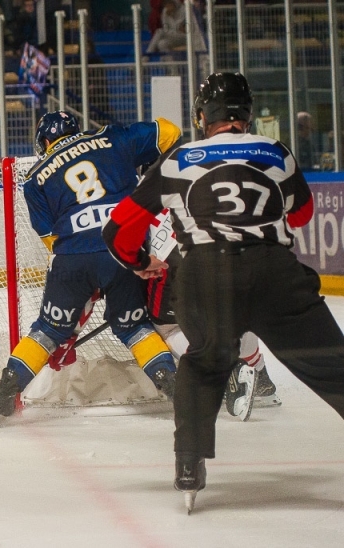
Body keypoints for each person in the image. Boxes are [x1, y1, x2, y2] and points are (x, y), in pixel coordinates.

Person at [101, 72, 344, 511]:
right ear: (247, 114)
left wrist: (141, 263)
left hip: (206, 274)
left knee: (204, 364)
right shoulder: (275, 151)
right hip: (275, 272)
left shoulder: (178, 159)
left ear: (202, 117)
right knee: (333, 364)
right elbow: (304, 214)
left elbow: (118, 229)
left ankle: (189, 464)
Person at [0, 110, 183, 428]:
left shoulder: (35, 178)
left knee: (48, 330)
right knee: (134, 329)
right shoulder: (112, 137)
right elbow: (170, 131)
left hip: (72, 260)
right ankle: (175, 388)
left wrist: (82, 280)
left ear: (45, 141)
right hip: (124, 248)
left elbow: (51, 239)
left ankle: (5, 392)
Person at [145, 212, 281, 421]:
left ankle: (229, 370)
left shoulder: (141, 194)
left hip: (173, 264)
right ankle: (259, 373)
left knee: (169, 328)